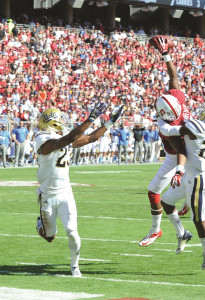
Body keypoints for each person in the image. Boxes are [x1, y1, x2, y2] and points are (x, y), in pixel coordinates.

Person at [35, 104, 123, 277]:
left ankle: (75, 266)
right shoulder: (42, 138)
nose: (64, 122)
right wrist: (89, 119)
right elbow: (64, 141)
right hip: (47, 195)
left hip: (65, 193)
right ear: (52, 123)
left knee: (72, 232)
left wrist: (111, 122)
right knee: (50, 236)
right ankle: (40, 225)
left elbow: (90, 138)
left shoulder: (64, 136)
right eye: (60, 119)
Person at [160, 102, 205, 270]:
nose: (201, 112)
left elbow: (168, 131)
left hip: (198, 178)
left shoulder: (197, 127)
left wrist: (161, 117)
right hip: (190, 174)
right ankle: (182, 233)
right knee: (166, 202)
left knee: (198, 219)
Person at [139, 35, 191, 247]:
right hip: (182, 154)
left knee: (160, 195)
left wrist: (179, 170)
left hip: (182, 157)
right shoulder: (177, 102)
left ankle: (156, 229)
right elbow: (174, 78)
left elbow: (181, 150)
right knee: (158, 196)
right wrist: (166, 54)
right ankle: (178, 232)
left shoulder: (167, 127)